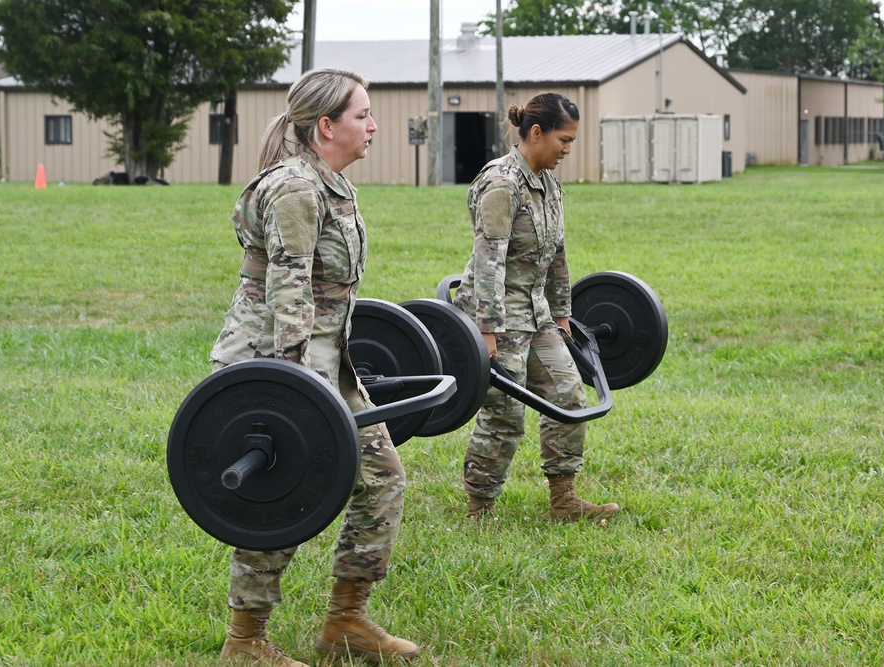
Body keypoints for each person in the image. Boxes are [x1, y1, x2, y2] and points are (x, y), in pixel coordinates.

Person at [209, 68, 418, 665]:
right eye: (362, 115)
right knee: (282, 494)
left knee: (382, 480)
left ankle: (345, 621)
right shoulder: (297, 189)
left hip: (329, 365)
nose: (374, 125)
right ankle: (245, 641)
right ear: (326, 126)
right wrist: (297, 388)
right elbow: (290, 290)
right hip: (279, 367)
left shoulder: (330, 185)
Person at [453, 92, 620, 523]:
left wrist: (562, 313)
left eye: (572, 141)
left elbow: (557, 253)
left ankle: (564, 501)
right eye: (563, 139)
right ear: (535, 132)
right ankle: (479, 507)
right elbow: (488, 258)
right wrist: (485, 331)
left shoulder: (548, 182)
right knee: (505, 415)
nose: (568, 149)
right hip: (497, 317)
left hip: (537, 314)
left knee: (569, 397)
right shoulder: (502, 184)